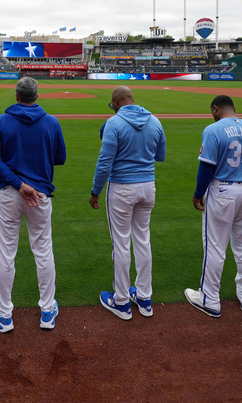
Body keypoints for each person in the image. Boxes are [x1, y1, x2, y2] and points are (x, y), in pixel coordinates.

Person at [0, 77, 67, 332]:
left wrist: (19, 184)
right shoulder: (51, 122)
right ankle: (47, 311)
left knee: (6, 252)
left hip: (10, 192)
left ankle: (4, 314)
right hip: (40, 195)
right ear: (37, 95)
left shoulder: (1, 121)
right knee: (43, 251)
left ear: (16, 95)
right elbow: (60, 158)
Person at [184, 95, 242, 318]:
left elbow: (206, 167)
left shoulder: (213, 130)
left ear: (215, 109)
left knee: (215, 247)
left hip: (222, 191)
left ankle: (210, 298)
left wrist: (198, 194)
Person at [90, 86, 166, 320]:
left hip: (122, 187)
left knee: (121, 243)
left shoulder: (114, 123)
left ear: (115, 100)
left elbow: (105, 162)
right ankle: (144, 296)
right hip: (148, 185)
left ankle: (121, 300)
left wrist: (95, 191)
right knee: (142, 239)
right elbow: (160, 156)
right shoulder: (154, 120)